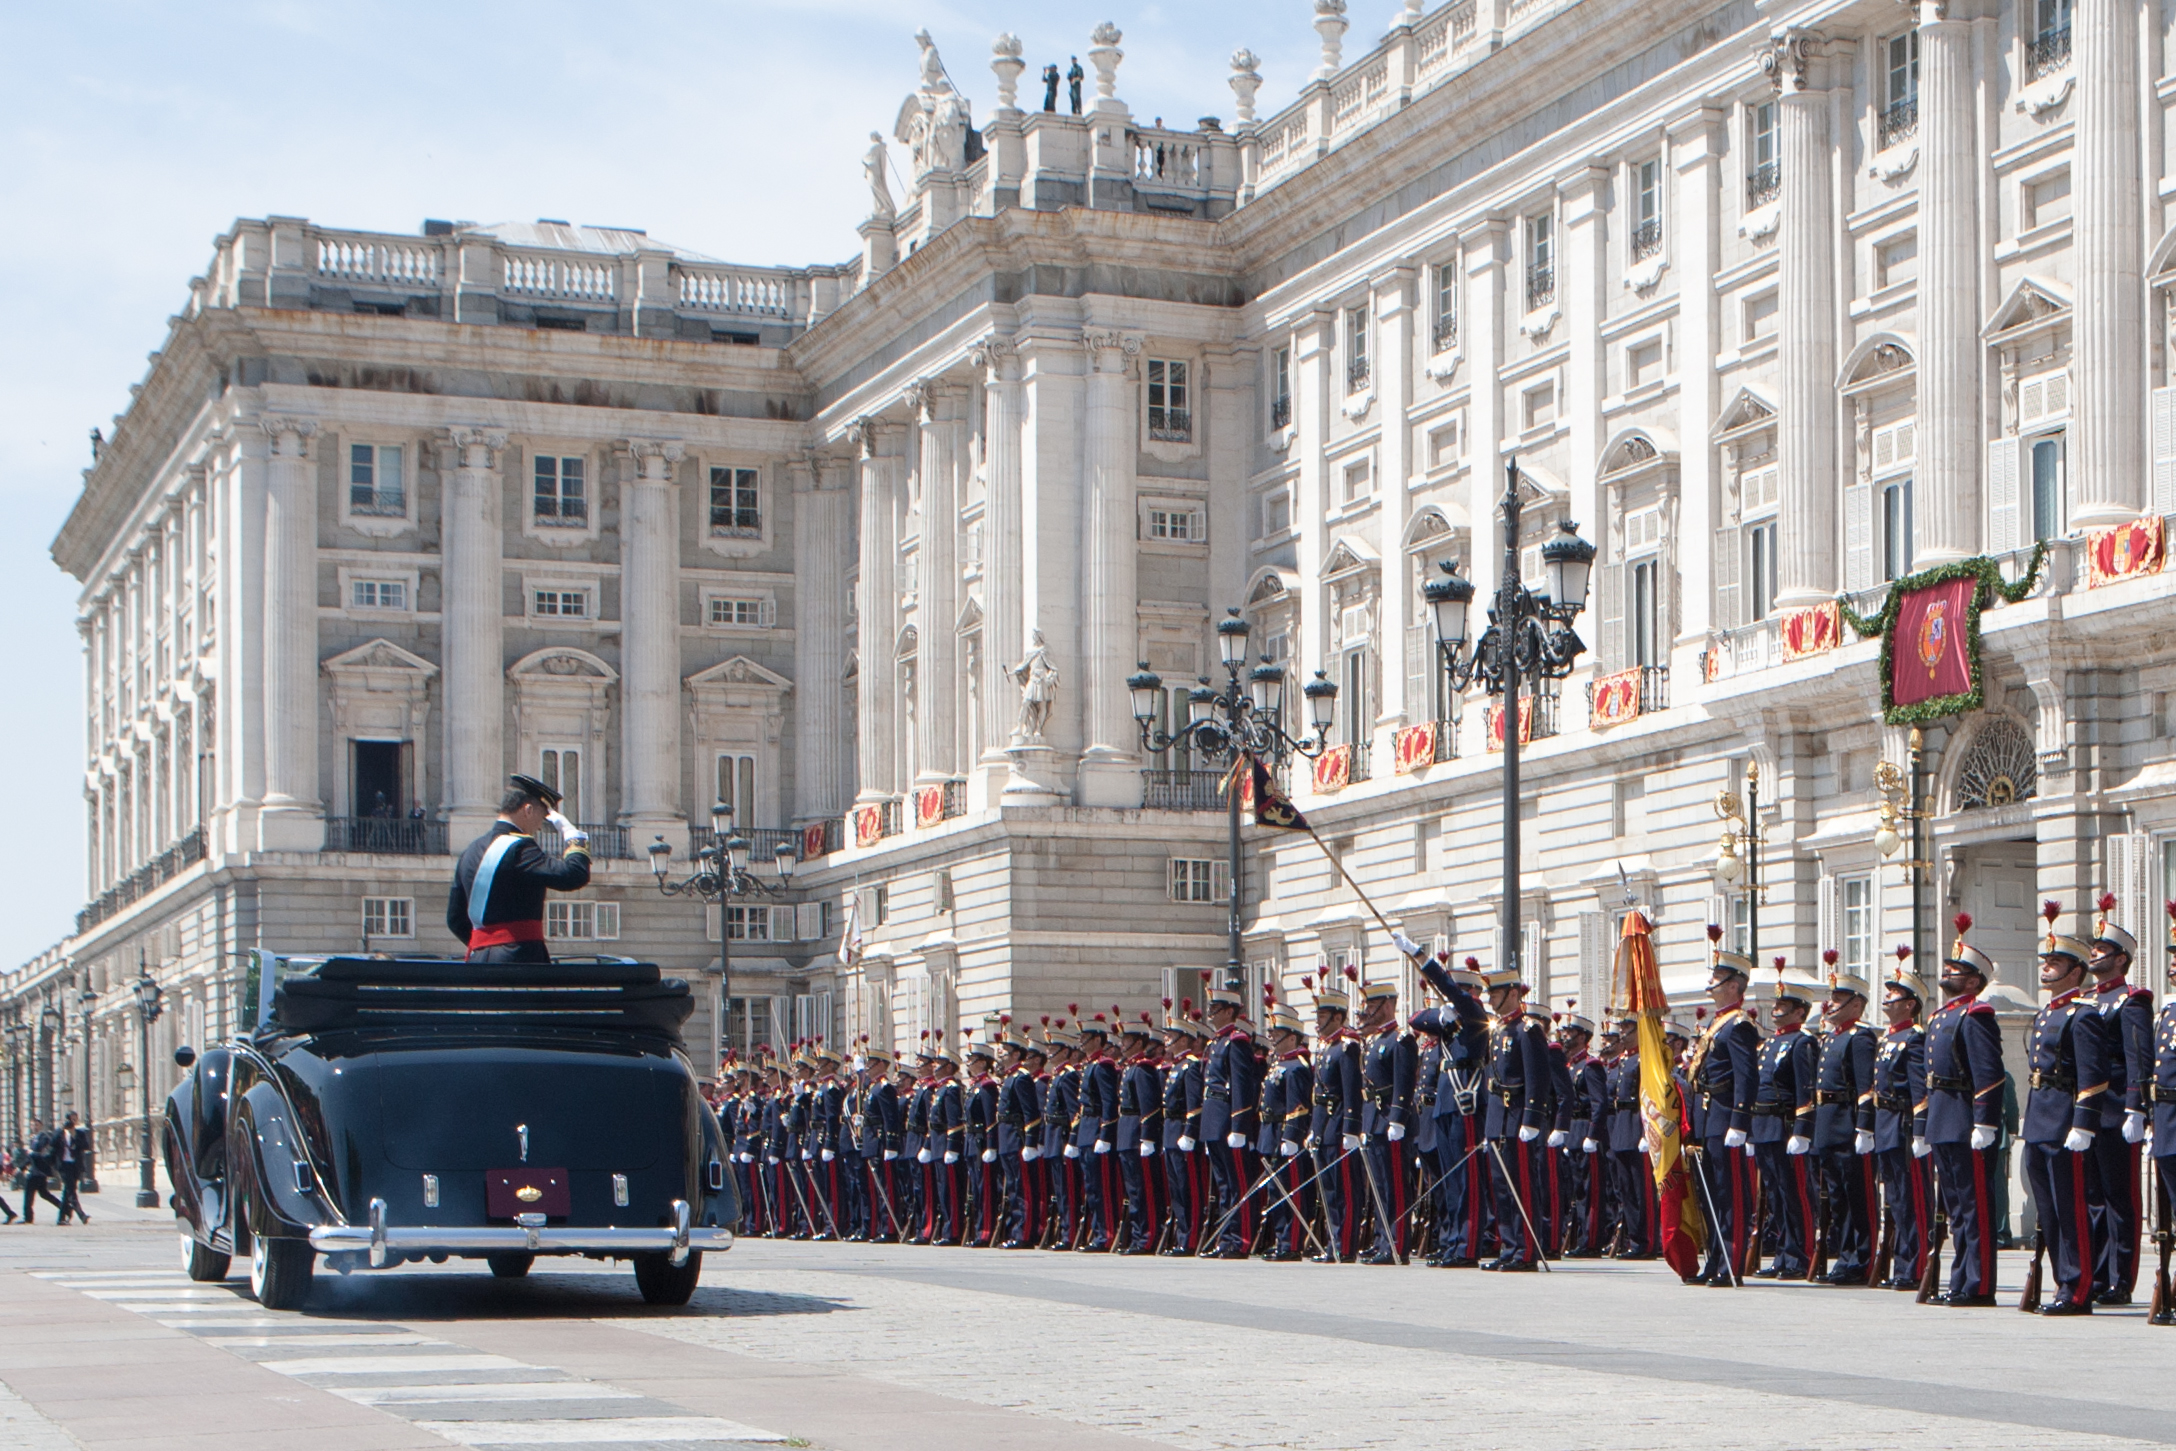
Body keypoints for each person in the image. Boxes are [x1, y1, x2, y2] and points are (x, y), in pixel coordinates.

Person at [2022, 904, 2108, 1316]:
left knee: (2071, 1208)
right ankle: (2061, 1281)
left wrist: (2084, 1123)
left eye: (2056, 963)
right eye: (2047, 962)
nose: (2048, 969)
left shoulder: (2083, 1014)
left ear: (2075, 971)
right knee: (2049, 1210)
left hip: (2063, 1121)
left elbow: (2093, 1073)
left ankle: (2078, 1287)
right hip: (2040, 1119)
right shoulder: (2047, 1013)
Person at [1924, 913, 2006, 1306]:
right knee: (1956, 1209)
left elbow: (1989, 1073)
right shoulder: (1941, 1017)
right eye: (1948, 967)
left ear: (1974, 982)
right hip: (1943, 1118)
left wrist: (1985, 1121)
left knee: (1975, 1207)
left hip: (1965, 1119)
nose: (1948, 972)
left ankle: (1980, 1284)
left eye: (1956, 970)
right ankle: (1960, 1280)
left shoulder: (1977, 1015)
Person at [444, 774, 592, 963]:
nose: (540, 826)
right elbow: (574, 875)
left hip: (478, 960)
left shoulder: (471, 850)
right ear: (528, 810)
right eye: (542, 816)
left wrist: (487, 945)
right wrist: (575, 837)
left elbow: (455, 918)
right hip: (519, 959)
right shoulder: (521, 848)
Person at [2087, 892, 2151, 1304]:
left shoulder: (2132, 1001)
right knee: (2092, 1198)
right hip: (2088, 1113)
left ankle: (2120, 1279)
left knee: (2119, 1197)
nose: (2093, 955)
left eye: (2101, 949)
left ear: (2121, 959)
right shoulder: (2088, 1001)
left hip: (2116, 1110)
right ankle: (2095, 1274)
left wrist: (2135, 1107)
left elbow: (2137, 1057)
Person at [1410, 954, 1493, 1267]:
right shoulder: (1449, 1023)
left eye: (1455, 993)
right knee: (1450, 1180)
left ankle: (1468, 1247)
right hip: (1445, 1105)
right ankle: (1454, 1242)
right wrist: (1440, 1016)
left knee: (1468, 1180)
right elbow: (1416, 1020)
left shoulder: (1474, 1014)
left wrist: (1424, 961)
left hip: (1465, 1105)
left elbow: (1453, 993)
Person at [1690, 927, 1761, 1286]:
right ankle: (1715, 1257)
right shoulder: (1716, 1025)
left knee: (1730, 1194)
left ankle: (1731, 1261)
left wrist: (1740, 1121)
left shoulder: (1739, 1026)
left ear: (1735, 984)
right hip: (1707, 1116)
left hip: (1724, 1115)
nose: (1712, 983)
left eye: (1719, 978)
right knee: (1711, 1196)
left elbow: (1747, 1078)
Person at [1478, 959, 1552, 1271]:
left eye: (1494, 993)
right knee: (1502, 1187)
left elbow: (1538, 1077)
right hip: (1499, 1119)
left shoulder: (1528, 1030)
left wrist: (1532, 1119)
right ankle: (1509, 1246)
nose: (1490, 999)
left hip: (1520, 1116)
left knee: (1522, 1185)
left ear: (1511, 993)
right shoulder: (1497, 1032)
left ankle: (1526, 1251)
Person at [1750, 960, 1820, 1280]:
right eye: (1776, 1004)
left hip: (1785, 1127)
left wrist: (1802, 1129)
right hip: (1764, 1127)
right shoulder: (1770, 1043)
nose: (1776, 1009)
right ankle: (1782, 1253)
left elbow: (1806, 1090)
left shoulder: (1802, 1042)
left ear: (1800, 1012)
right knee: (1776, 1196)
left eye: (1783, 1005)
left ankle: (1800, 1255)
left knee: (1795, 1194)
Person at [1811, 956, 1877, 1284]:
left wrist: (1864, 1126)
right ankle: (1845, 1256)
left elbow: (1865, 1088)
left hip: (1847, 1123)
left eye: (1838, 999)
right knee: (1837, 1197)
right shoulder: (1832, 1037)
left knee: (1857, 1196)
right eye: (1832, 997)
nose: (1831, 1004)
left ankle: (1861, 1260)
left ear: (1857, 1004)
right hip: (1828, 1124)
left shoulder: (1860, 1037)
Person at [1874, 955, 1933, 1289]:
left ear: (1910, 1004)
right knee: (1896, 1201)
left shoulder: (1913, 1039)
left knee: (1913, 1200)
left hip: (1903, 1124)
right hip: (1886, 1124)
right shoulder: (1888, 1039)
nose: (1888, 999)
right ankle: (1901, 1265)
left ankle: (1917, 1265)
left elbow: (1918, 1088)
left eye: (1894, 994)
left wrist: (1920, 1129)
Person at [1355, 975, 1417, 1265]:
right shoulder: (1375, 1040)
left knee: (1395, 1186)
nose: (1369, 1010)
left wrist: (1398, 1118)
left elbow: (1403, 1082)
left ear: (1389, 1004)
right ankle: (1382, 1239)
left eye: (1374, 1004)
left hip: (1391, 1120)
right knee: (1380, 1186)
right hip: (1375, 1120)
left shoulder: (1400, 1039)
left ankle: (1397, 1242)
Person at [1306, 971, 1363, 1263]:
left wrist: (1351, 1129)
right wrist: (1314, 1130)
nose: (1318, 1021)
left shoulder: (1347, 1048)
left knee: (1346, 1192)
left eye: (1324, 1015)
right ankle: (1333, 1243)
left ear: (1338, 1018)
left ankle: (1346, 1245)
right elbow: (1318, 1095)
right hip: (1326, 1128)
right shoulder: (1326, 1049)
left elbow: (1352, 1092)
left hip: (1341, 1126)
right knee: (1328, 1191)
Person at [1200, 987, 1261, 1259]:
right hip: (1214, 1121)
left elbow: (1241, 1085)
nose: (1211, 1015)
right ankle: (1226, 1239)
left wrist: (1239, 1126)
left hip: (1228, 1122)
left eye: (1215, 1010)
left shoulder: (1237, 1042)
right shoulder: (1216, 1043)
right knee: (1224, 1185)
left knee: (1238, 1184)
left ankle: (1242, 1239)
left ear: (1229, 1012)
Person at [1257, 998, 1314, 1261]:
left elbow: (1298, 1106)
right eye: (1272, 1034)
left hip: (1285, 1133)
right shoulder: (1279, 1064)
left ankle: (1291, 1243)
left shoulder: (1297, 1068)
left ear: (1292, 1037)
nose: (1273, 1039)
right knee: (1275, 1190)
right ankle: (1281, 1238)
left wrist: (1291, 1135)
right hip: (1270, 1132)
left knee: (1291, 1190)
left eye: (1278, 1035)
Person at [1158, 1002, 1208, 1255]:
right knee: (1176, 1189)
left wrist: (1189, 1133)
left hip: (1182, 1133)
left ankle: (1191, 1238)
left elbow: (1194, 1105)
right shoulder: (1177, 1066)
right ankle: (1182, 1236)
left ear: (1183, 1039)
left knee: (1190, 1189)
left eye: (1170, 1035)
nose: (1166, 1040)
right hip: (1170, 1131)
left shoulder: (1190, 1066)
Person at [1115, 1012, 1165, 1254]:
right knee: (1134, 1190)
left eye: (1126, 1041)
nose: (1122, 1045)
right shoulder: (1130, 1068)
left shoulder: (1143, 1069)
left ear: (1138, 1043)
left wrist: (1147, 1136)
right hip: (1126, 1132)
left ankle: (1147, 1237)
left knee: (1144, 1189)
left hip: (1137, 1133)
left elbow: (1149, 1105)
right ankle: (1137, 1236)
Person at [20, 1120, 62, 1224]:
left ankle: (28, 1218)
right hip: (34, 1171)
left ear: (41, 1126)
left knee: (29, 1194)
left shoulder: (44, 1138)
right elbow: (30, 1158)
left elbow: (43, 1155)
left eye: (36, 1125)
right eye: (32, 1125)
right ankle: (64, 1207)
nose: (34, 1127)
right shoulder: (33, 1139)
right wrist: (21, 1167)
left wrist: (32, 1153)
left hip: (40, 1171)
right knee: (44, 1194)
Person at [54, 1112, 90, 1225]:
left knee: (67, 1192)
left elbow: (85, 1146)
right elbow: (52, 1143)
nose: (73, 1122)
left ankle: (61, 1217)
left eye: (75, 1119)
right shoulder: (60, 1134)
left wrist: (74, 1136)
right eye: (72, 1120)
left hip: (75, 1166)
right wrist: (61, 1130)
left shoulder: (79, 1133)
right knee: (71, 1191)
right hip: (64, 1166)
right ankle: (81, 1215)